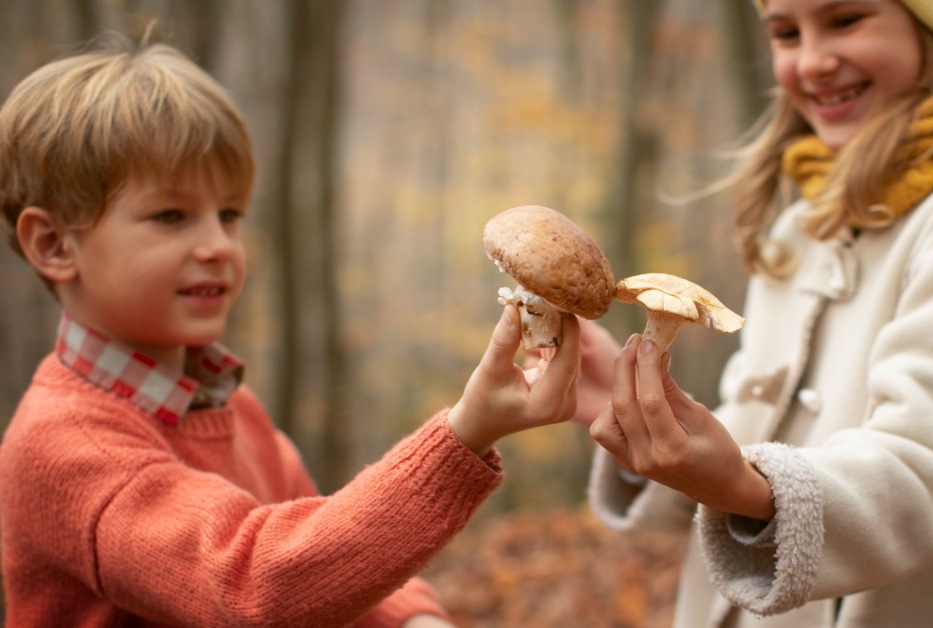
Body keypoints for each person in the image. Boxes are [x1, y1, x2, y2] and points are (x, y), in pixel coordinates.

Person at [0, 36, 581, 627]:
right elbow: (253, 583)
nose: (217, 246)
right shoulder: (65, 447)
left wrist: (412, 619)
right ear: (53, 245)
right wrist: (465, 432)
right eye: (170, 216)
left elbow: (327, 547)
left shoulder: (234, 408)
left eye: (229, 215)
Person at [579, 1, 933, 627]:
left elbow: (930, 468)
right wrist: (636, 420)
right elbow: (753, 428)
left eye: (845, 20)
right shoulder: (800, 227)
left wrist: (739, 483)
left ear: (930, 30)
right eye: (786, 33)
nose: (812, 61)